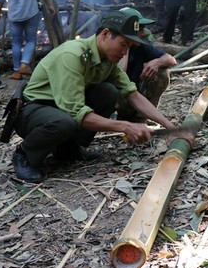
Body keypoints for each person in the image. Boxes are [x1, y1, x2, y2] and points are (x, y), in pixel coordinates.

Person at [11, 10, 190, 182]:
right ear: (105, 34)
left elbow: (132, 94)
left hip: (59, 109)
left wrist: (171, 128)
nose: (125, 52)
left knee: (108, 93)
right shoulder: (72, 55)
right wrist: (125, 126)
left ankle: (67, 149)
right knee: (64, 121)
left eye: (129, 47)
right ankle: (24, 153)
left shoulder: (107, 60)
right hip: (34, 111)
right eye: (123, 44)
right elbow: (76, 112)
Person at [117, 7, 177, 121]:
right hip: (114, 103)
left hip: (134, 98)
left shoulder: (141, 47)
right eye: (139, 28)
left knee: (163, 72)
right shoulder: (111, 48)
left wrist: (157, 62)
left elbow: (171, 60)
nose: (143, 33)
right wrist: (126, 46)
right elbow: (120, 73)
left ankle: (143, 117)